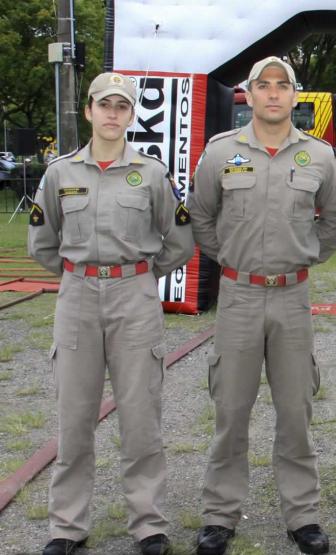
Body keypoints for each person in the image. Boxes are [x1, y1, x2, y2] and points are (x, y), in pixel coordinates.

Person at [188, 56, 336, 555]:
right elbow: (202, 217)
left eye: (283, 85)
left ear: (295, 96)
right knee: (231, 409)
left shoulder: (319, 156)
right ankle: (219, 516)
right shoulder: (220, 153)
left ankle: (303, 517)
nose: (274, 93)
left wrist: (301, 260)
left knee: (295, 410)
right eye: (264, 85)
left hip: (293, 296)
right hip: (238, 296)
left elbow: (335, 222)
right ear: (250, 95)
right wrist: (235, 262)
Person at [28, 72, 195, 555]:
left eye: (122, 106)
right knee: (74, 416)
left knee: (141, 414)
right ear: (89, 111)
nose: (113, 113)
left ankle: (148, 524)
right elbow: (43, 242)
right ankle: (67, 526)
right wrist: (79, 274)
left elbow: (179, 238)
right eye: (105, 104)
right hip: (77, 299)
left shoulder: (151, 173)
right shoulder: (61, 173)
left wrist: (143, 274)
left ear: (130, 114)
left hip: (134, 299)